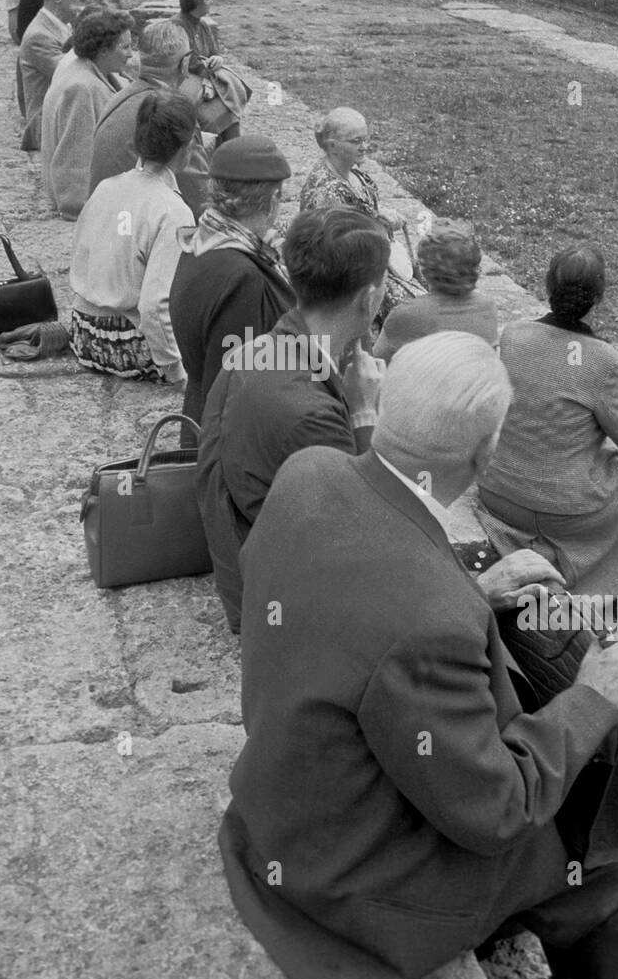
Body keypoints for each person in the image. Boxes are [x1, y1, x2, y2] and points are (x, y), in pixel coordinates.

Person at [219, 329, 618, 979]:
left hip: (282, 812)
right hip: (357, 887)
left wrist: (467, 586)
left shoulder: (308, 470)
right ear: (485, 452)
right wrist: (593, 696)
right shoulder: (426, 623)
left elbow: (353, 586)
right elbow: (494, 811)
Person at [196, 207, 390, 632]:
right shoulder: (310, 416)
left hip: (246, 563)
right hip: (286, 606)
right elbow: (373, 525)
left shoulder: (258, 348)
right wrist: (363, 413)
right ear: (368, 299)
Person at [478, 244, 618, 620]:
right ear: (599, 296)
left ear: (548, 284)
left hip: (499, 493)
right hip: (560, 508)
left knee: (608, 464)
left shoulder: (513, 336)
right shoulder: (602, 360)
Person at [171, 136, 295, 436]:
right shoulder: (243, 278)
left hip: (200, 412)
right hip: (229, 444)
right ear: (274, 200)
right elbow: (235, 385)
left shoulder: (199, 242)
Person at [69, 91, 196, 382]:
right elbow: (154, 305)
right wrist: (176, 371)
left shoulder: (106, 187)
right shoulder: (173, 210)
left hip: (83, 331)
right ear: (184, 148)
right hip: (124, 342)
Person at [299, 107, 422, 326]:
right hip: (353, 282)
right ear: (332, 146)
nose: (364, 146)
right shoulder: (326, 192)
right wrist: (377, 226)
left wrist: (377, 214)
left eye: (366, 139)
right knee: (419, 316)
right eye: (356, 141)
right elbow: (339, 251)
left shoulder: (353, 173)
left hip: (373, 264)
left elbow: (358, 215)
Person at [88, 19, 208, 216]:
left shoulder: (119, 96)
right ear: (185, 62)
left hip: (103, 216)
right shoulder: (170, 111)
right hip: (135, 224)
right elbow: (199, 198)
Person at [41, 7, 135, 219]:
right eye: (125, 47)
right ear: (103, 50)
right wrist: (79, 208)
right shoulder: (82, 89)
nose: (130, 54)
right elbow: (75, 155)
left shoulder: (86, 68)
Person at [374, 219, 498, 363]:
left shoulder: (406, 315)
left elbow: (375, 363)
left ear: (424, 270)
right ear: (475, 268)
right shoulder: (488, 306)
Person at [172, 0, 250, 144]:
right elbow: (185, 63)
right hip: (187, 89)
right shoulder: (177, 26)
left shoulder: (203, 25)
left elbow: (215, 52)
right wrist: (206, 68)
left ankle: (230, 156)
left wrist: (217, 59)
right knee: (220, 115)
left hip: (207, 83)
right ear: (195, 1)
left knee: (230, 113)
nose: (211, 1)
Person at [17, 0, 88, 151]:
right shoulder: (39, 36)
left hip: (61, 115)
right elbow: (75, 75)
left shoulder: (63, 25)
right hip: (45, 125)